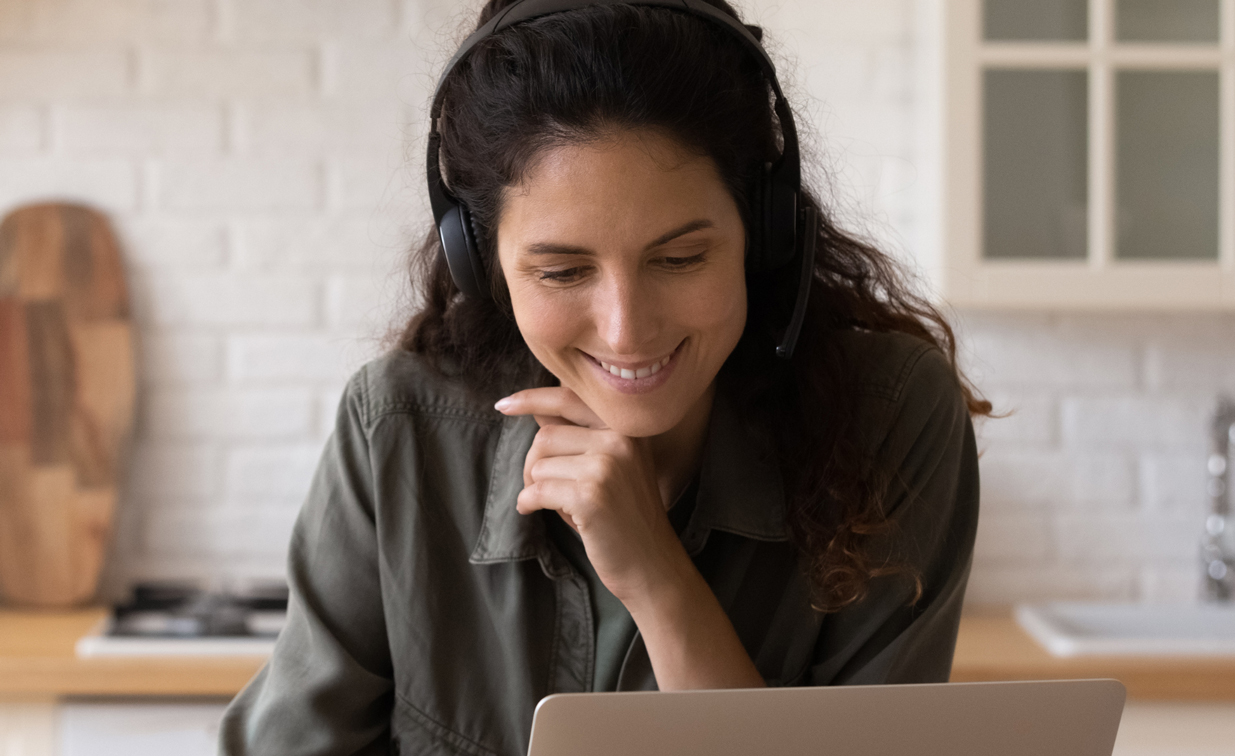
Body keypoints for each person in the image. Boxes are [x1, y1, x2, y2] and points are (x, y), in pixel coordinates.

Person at [219, 0, 988, 754]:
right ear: (480, 263)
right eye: (561, 271)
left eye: (681, 258)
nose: (626, 329)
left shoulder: (890, 416)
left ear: (765, 232)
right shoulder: (398, 429)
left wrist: (658, 578)